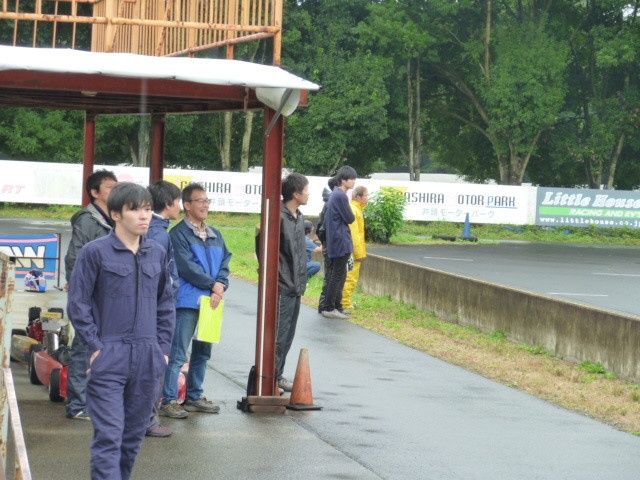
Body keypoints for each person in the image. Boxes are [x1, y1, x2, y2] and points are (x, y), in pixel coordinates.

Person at [67, 182, 175, 480]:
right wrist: (95, 347)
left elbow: (166, 304)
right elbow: (78, 303)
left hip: (149, 356)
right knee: (109, 436)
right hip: (110, 354)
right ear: (115, 214)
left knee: (132, 439)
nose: (144, 216)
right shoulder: (95, 252)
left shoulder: (156, 252)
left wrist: (163, 351)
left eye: (148, 209)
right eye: (135, 209)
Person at [159, 182, 232, 419]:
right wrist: (213, 285)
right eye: (200, 201)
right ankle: (168, 399)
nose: (206, 205)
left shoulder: (215, 234)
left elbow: (226, 262)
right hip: (188, 301)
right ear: (187, 205)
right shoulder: (178, 234)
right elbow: (186, 267)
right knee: (178, 352)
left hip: (212, 302)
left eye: (207, 201)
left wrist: (220, 285)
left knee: (203, 352)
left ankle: (194, 396)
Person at [64, 169, 117, 421]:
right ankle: (78, 404)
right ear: (95, 193)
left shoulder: (114, 218)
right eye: (110, 187)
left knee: (105, 347)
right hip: (89, 296)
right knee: (84, 346)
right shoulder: (88, 220)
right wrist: (81, 292)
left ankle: (96, 402)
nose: (115, 191)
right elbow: (74, 258)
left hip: (108, 296)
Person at [144, 180, 182, 438]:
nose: (180, 206)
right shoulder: (159, 234)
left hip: (150, 308)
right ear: (168, 204)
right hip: (157, 311)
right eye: (178, 202)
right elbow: (160, 277)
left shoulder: (154, 229)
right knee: (156, 363)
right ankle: (148, 420)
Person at [275, 173, 310, 392]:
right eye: (306, 190)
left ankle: (278, 375)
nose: (308, 194)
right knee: (279, 335)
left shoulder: (298, 217)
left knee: (288, 335)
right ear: (296, 194)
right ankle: (271, 377)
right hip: (283, 285)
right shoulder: (278, 216)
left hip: (296, 285)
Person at [321, 166, 357, 319]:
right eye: (351, 179)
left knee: (338, 274)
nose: (354, 181)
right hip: (340, 240)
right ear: (343, 180)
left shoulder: (335, 195)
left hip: (335, 240)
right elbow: (350, 218)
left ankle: (336, 306)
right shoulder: (340, 196)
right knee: (337, 275)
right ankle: (330, 308)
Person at [341, 186, 369, 312]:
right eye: (366, 195)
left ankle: (347, 301)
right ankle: (345, 303)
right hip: (353, 251)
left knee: (352, 277)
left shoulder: (357, 209)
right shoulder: (354, 209)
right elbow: (354, 234)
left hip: (354, 250)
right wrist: (358, 253)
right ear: (358, 197)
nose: (367, 198)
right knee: (350, 277)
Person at [316, 176, 338, 313]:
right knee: (330, 276)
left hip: (327, 243)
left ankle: (325, 304)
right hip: (330, 245)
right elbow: (322, 228)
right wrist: (326, 243)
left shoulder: (328, 202)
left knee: (330, 275)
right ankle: (324, 305)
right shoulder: (331, 203)